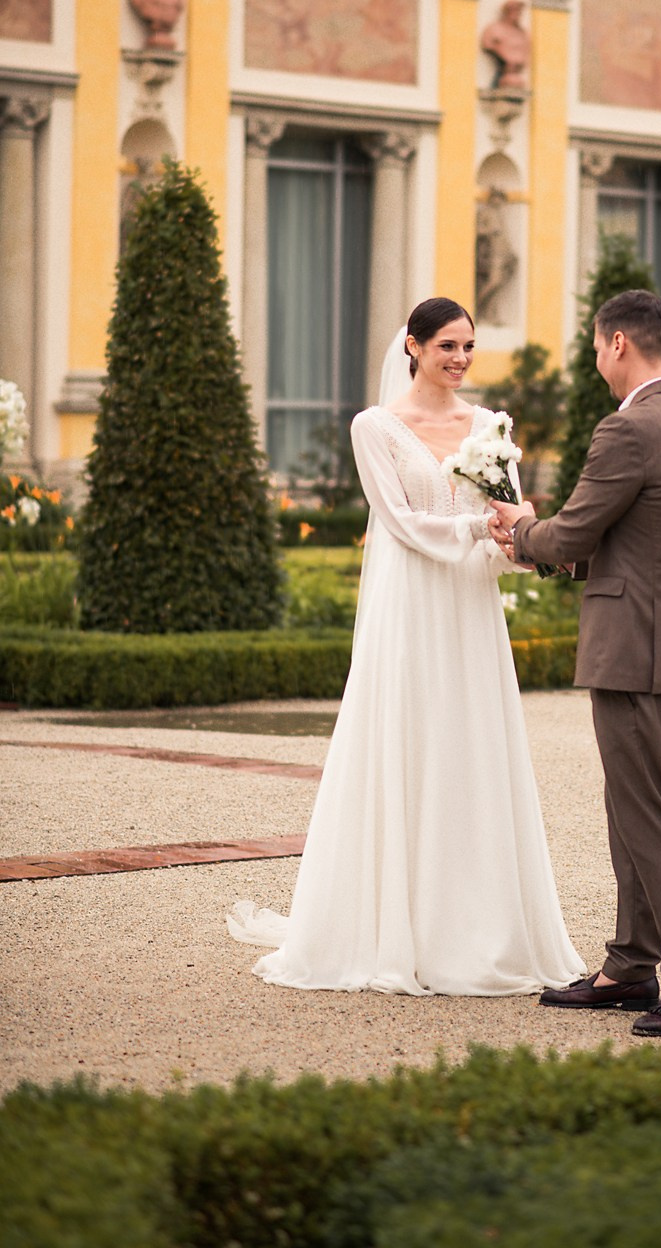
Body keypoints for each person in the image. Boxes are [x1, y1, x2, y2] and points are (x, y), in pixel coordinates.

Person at [229, 297, 582, 994]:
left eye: (468, 348)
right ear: (413, 347)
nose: (459, 359)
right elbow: (403, 524)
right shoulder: (375, 427)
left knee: (471, 752)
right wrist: (483, 531)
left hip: (469, 612)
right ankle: (394, 926)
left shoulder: (490, 427)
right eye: (447, 346)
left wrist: (526, 536)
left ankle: (478, 927)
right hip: (409, 608)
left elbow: (507, 526)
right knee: (407, 744)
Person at [489, 290, 661, 1035]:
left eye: (597, 348)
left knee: (649, 818)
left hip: (634, 652)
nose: (597, 361)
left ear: (618, 342)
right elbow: (641, 534)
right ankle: (630, 964)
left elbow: (572, 536)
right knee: (633, 810)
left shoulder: (629, 431)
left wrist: (522, 531)